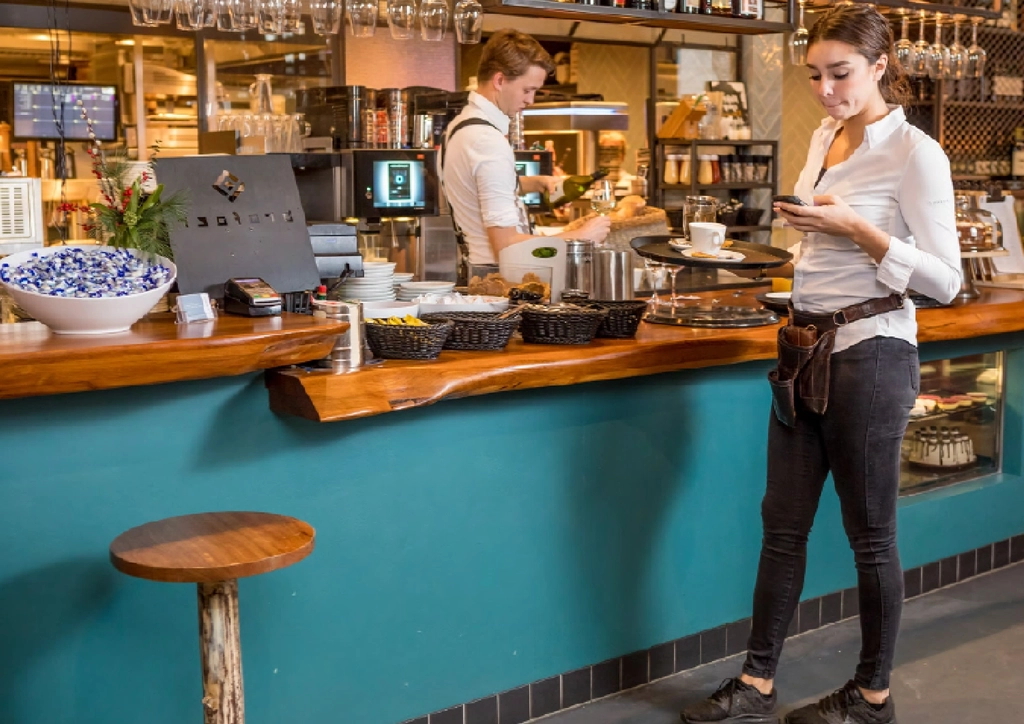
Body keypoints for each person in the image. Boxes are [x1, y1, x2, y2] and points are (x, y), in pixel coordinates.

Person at [680, 6, 960, 724]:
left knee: (871, 537)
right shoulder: (825, 136)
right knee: (781, 526)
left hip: (872, 356)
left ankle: (873, 696)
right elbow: (820, 253)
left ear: (879, 66)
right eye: (814, 76)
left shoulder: (917, 153)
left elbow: (945, 282)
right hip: (804, 350)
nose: (827, 90)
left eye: (840, 74)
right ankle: (757, 682)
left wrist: (859, 230)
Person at [439, 29, 610, 280]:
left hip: (478, 271)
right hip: (500, 278)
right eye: (527, 90)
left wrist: (533, 183)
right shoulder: (487, 142)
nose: (531, 100)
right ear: (500, 80)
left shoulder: (459, 126)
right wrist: (579, 237)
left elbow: (476, 187)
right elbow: (506, 245)